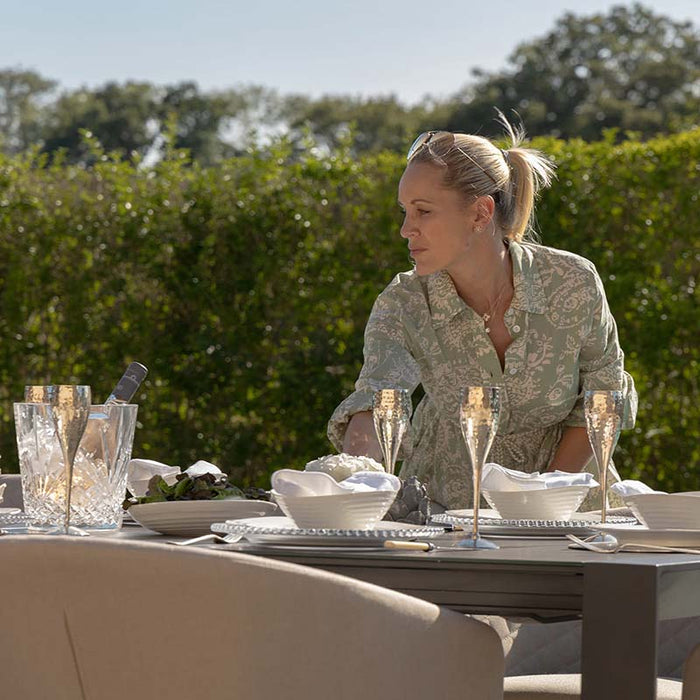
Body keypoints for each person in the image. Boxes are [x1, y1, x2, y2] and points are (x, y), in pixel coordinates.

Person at [327, 114, 637, 510]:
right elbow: (378, 400)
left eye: (423, 211)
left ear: (479, 213)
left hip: (572, 511)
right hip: (448, 515)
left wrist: (542, 497)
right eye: (404, 211)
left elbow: (604, 395)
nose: (406, 229)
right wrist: (352, 480)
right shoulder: (403, 302)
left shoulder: (571, 282)